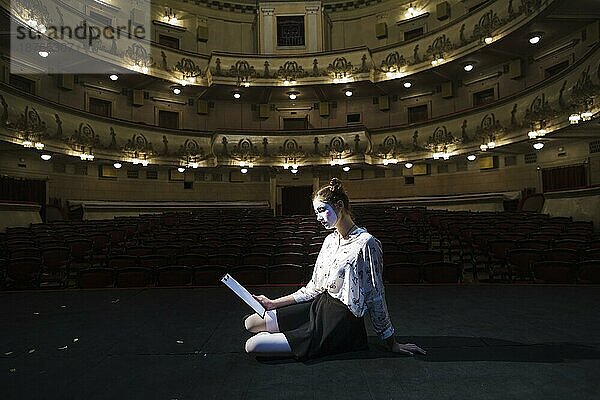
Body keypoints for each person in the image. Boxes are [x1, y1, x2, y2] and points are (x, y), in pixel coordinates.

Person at [243, 178, 426, 360]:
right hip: (321, 305)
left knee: (252, 345)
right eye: (316, 212)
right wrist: (273, 303)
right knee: (250, 323)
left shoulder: (366, 243)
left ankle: (292, 338)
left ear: (339, 206)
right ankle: (286, 335)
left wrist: (391, 342)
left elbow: (375, 295)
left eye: (322, 210)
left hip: (341, 320)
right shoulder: (330, 240)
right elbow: (313, 287)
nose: (318, 218)